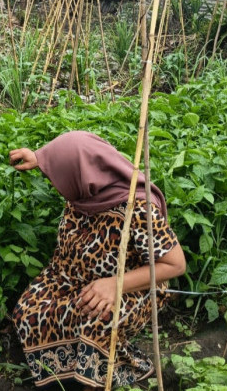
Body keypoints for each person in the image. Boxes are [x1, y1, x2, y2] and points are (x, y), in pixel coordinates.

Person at [9, 131, 185, 390]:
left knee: (96, 319)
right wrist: (39, 158)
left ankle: (97, 380)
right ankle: (65, 374)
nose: (57, 187)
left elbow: (176, 264)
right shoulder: (84, 194)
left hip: (133, 286)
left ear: (82, 175)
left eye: (61, 178)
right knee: (28, 311)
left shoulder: (137, 209)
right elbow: (72, 155)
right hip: (75, 274)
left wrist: (115, 285)